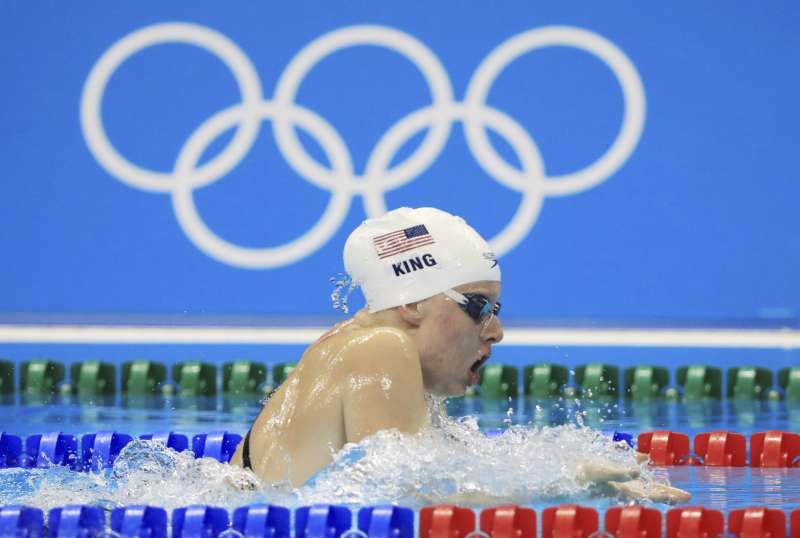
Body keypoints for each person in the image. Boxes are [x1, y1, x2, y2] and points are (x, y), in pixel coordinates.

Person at [230, 207, 689, 503]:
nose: (498, 331)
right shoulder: (380, 347)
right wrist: (567, 484)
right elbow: (403, 494)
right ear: (410, 303)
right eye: (477, 307)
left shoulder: (342, 351)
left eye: (496, 309)